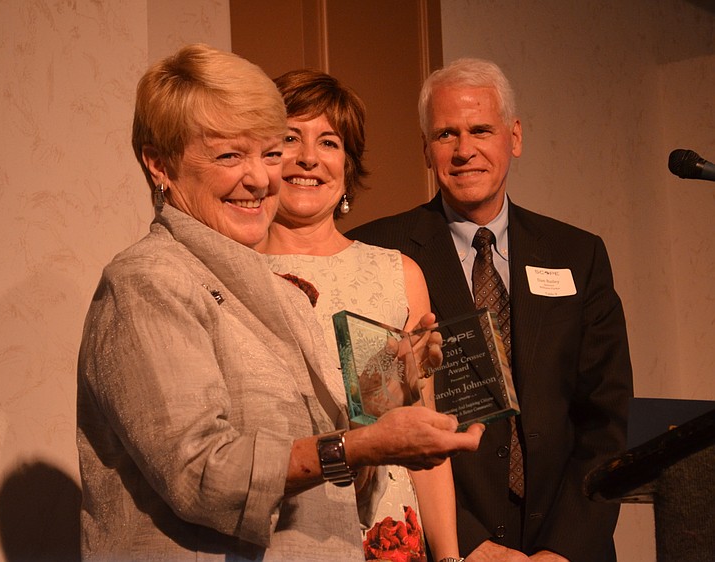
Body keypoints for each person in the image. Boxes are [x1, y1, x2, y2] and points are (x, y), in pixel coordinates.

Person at [76, 44, 485, 561]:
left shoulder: (279, 293)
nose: (262, 177)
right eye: (230, 155)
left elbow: (338, 486)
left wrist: (382, 408)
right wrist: (360, 445)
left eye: (269, 153)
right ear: (159, 164)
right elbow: (200, 474)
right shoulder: (147, 281)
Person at [348, 58, 633, 562]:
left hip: (571, 547)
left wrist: (563, 549)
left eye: (481, 129)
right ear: (425, 149)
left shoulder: (578, 254)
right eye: (445, 134)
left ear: (514, 137)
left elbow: (603, 423)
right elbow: (377, 426)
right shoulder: (376, 254)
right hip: (450, 546)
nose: (465, 151)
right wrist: (468, 544)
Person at [259, 69, 464, 562]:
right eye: (290, 138)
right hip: (278, 532)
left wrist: (451, 557)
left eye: (328, 142)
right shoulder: (234, 273)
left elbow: (423, 438)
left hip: (386, 535)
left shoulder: (397, 274)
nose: (308, 157)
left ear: (347, 168)